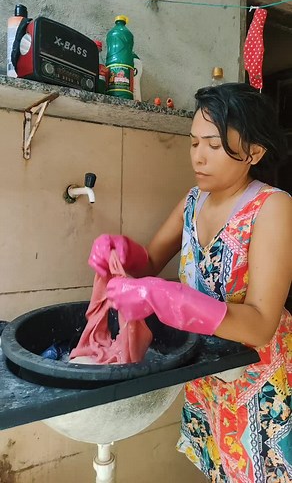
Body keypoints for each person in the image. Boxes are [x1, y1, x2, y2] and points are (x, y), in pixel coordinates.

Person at [88, 83, 292, 482]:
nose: (198, 156)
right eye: (193, 142)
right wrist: (122, 253)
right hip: (207, 378)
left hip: (260, 385)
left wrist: (168, 297)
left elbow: (261, 323)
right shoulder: (193, 200)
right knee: (218, 470)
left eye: (213, 146)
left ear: (254, 152)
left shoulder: (273, 208)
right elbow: (148, 263)